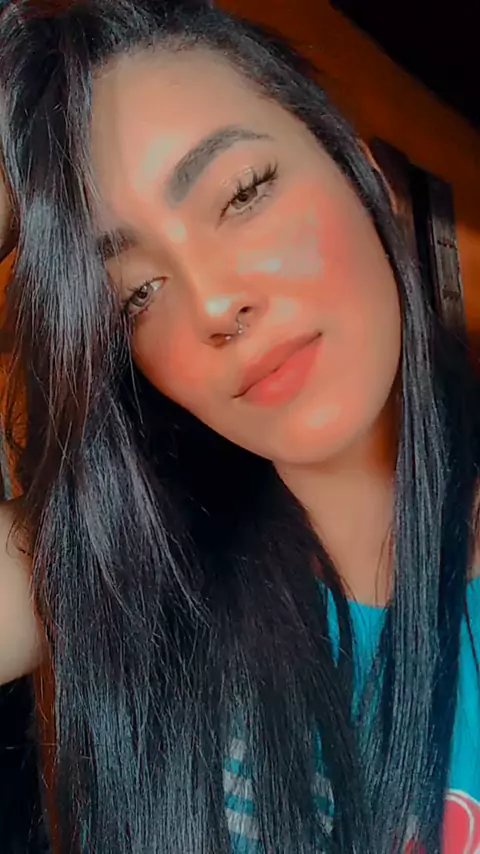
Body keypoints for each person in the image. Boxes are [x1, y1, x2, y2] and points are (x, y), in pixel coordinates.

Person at [0, 1, 479, 852]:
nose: (216, 305)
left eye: (244, 193)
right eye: (136, 294)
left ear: (363, 178)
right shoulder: (126, 568)